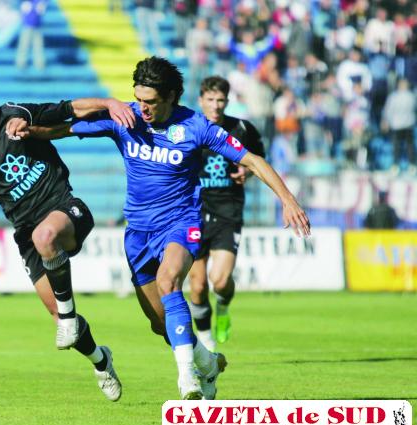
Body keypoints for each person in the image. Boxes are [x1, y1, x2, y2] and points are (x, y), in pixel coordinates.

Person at [20, 57, 311, 400]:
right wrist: (25, 131)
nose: (142, 108)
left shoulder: (196, 126)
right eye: (138, 99)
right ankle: (208, 363)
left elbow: (252, 160)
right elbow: (63, 129)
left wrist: (288, 200)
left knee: (168, 281)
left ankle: (187, 379)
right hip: (138, 233)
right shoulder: (125, 118)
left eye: (151, 102)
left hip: (181, 223)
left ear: (172, 96)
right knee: (161, 324)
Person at [0, 81, 135, 401]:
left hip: (66, 209)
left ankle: (69, 318)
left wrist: (110, 103)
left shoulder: (16, 114)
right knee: (60, 318)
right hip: (26, 234)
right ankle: (101, 362)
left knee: (45, 238)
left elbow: (69, 108)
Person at [188, 76, 265, 351]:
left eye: (220, 100)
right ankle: (206, 339)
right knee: (197, 286)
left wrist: (247, 172)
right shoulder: (189, 128)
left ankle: (222, 305)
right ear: (201, 100)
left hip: (227, 212)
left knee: (219, 281)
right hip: (193, 213)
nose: (215, 105)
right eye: (210, 99)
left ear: (227, 101)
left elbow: (259, 161)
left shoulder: (242, 129)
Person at [15, 0, 47, 70]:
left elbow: (42, 7)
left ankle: (39, 63)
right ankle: (21, 63)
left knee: (38, 46)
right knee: (24, 45)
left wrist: (42, 5)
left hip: (37, 25)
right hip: (27, 25)